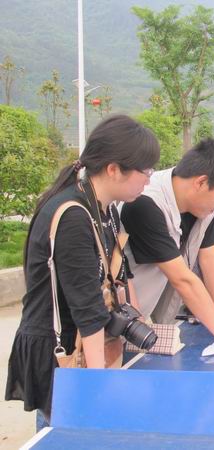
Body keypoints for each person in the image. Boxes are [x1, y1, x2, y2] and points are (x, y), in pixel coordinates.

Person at [5, 115, 160, 429]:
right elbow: (87, 311)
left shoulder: (105, 208)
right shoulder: (74, 215)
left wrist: (135, 319)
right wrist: (98, 389)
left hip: (87, 345)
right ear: (114, 169)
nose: (148, 181)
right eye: (145, 172)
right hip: (62, 351)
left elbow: (119, 273)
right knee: (72, 432)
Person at [120, 138, 214, 351]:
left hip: (139, 321)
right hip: (116, 321)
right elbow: (182, 279)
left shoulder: (201, 208)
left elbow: (212, 259)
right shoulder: (145, 203)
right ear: (201, 182)